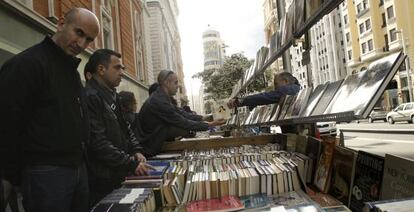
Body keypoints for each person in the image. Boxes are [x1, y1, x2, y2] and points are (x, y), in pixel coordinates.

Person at [0, 8, 100, 212]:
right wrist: (8, 176)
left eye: (88, 39)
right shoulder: (27, 64)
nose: (81, 44)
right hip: (45, 172)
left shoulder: (71, 71)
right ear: (61, 23)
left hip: (77, 168)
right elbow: (7, 122)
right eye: (79, 33)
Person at [84, 49, 152, 206]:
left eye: (122, 68)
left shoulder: (113, 94)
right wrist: (130, 163)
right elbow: (98, 143)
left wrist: (136, 150)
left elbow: (126, 129)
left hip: (118, 173)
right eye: (117, 68)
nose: (121, 72)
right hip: (102, 179)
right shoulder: (90, 97)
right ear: (101, 69)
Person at [136, 70, 226, 156]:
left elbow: (182, 113)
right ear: (167, 83)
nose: (178, 86)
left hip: (152, 144)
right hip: (148, 148)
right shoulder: (159, 101)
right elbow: (183, 122)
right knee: (182, 128)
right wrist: (210, 124)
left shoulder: (161, 97)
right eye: (175, 83)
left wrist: (205, 117)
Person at [227, 72, 301, 109]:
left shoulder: (288, 90)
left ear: (285, 81)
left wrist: (241, 101)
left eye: (276, 84)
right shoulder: (295, 89)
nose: (275, 88)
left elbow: (265, 97)